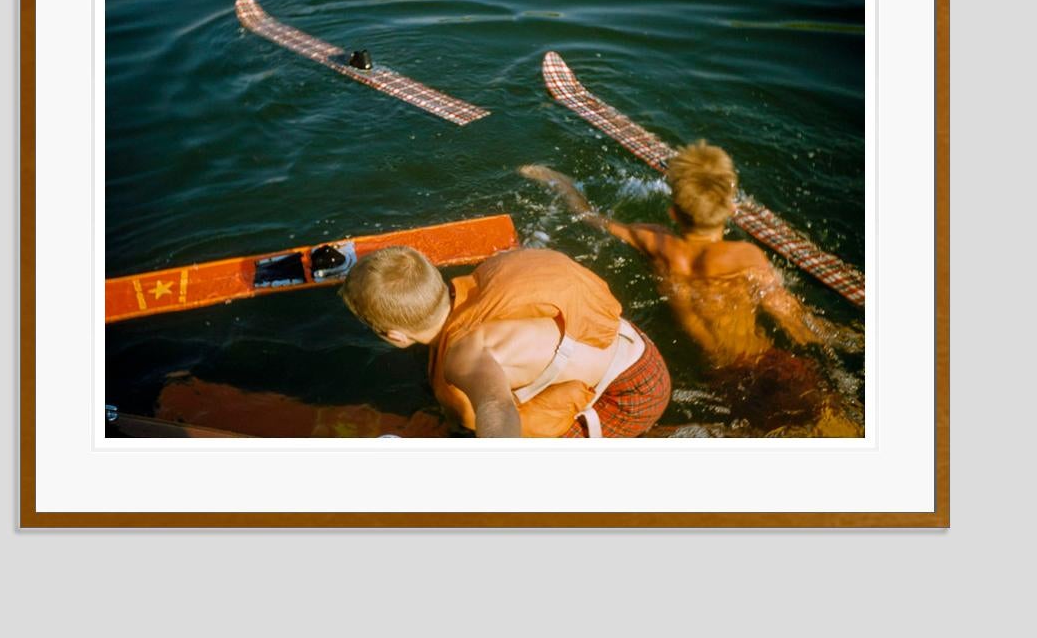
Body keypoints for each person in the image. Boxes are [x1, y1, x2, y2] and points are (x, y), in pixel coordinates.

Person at [520, 143, 861, 435]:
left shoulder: (655, 241)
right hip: (769, 362)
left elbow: (588, 215)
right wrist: (847, 336)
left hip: (720, 376)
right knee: (833, 425)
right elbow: (792, 318)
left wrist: (558, 180)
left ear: (673, 211)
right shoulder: (745, 257)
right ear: (730, 209)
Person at [339, 245, 671, 438]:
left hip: (631, 395)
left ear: (394, 335)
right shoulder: (491, 270)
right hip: (633, 344)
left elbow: (496, 405)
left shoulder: (464, 357)